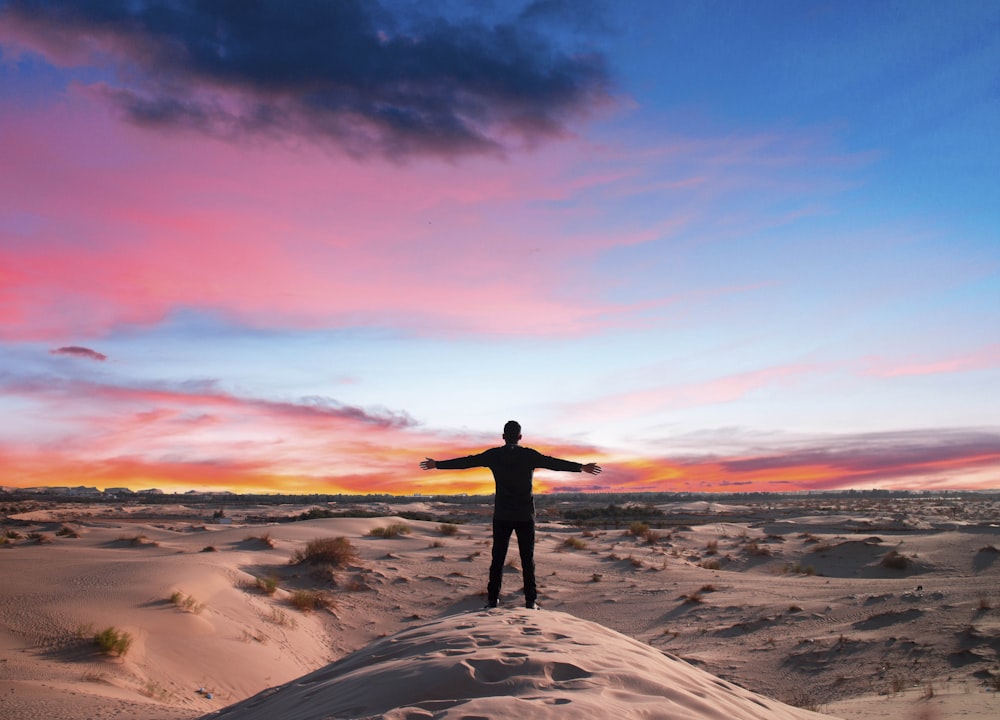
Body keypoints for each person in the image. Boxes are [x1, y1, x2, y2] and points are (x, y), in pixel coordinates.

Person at [420, 420, 601, 609]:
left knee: (497, 558)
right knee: (527, 559)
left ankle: (492, 600)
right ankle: (530, 601)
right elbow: (553, 463)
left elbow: (467, 461)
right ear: (520, 437)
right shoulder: (529, 455)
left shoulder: (494, 455)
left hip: (502, 515)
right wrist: (581, 467)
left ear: (503, 437)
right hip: (524, 515)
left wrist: (437, 464)